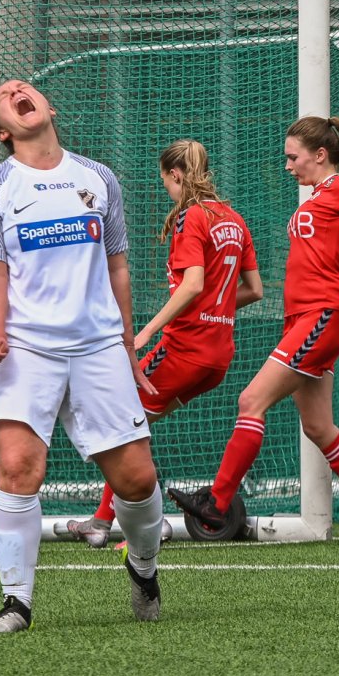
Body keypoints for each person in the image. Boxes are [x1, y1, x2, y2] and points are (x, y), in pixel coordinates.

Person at [169, 116, 339, 543]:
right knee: (318, 427)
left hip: (321, 315)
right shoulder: (324, 197)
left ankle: (217, 504)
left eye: (293, 157)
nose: (288, 166)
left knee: (251, 400)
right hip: (306, 318)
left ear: (320, 155)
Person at [0, 79, 166, 632]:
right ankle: (16, 603)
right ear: (3, 131)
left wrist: (127, 344)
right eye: (4, 94)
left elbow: (118, 265)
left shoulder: (99, 178)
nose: (15, 88)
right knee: (17, 466)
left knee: (136, 480)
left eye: (23, 86)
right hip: (26, 348)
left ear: (49, 108)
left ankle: (143, 567)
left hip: (99, 345)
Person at [65, 138, 263, 548]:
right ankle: (101, 522)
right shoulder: (234, 218)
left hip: (183, 350)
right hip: (218, 356)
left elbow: (192, 284)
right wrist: (215, 307)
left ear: (175, 174)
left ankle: (145, 524)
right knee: (133, 427)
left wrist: (147, 330)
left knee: (122, 427)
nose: (167, 190)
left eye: (166, 183)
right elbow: (254, 290)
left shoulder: (192, 217)